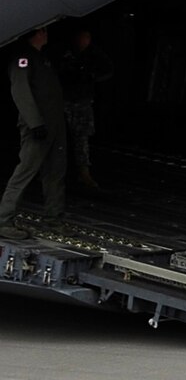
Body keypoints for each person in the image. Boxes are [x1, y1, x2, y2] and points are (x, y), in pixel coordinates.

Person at [4, 27, 69, 238]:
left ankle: (53, 218)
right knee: (25, 171)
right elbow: (20, 90)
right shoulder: (24, 58)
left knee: (55, 173)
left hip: (54, 125)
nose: (46, 33)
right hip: (38, 126)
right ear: (34, 35)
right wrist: (34, 123)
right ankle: (4, 219)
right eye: (42, 31)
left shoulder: (42, 58)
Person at [57, 27, 114, 191]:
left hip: (82, 100)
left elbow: (108, 69)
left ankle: (83, 172)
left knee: (81, 138)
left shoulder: (93, 54)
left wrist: (92, 75)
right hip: (64, 99)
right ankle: (52, 171)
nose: (84, 41)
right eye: (82, 37)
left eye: (87, 37)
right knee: (58, 137)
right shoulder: (65, 52)